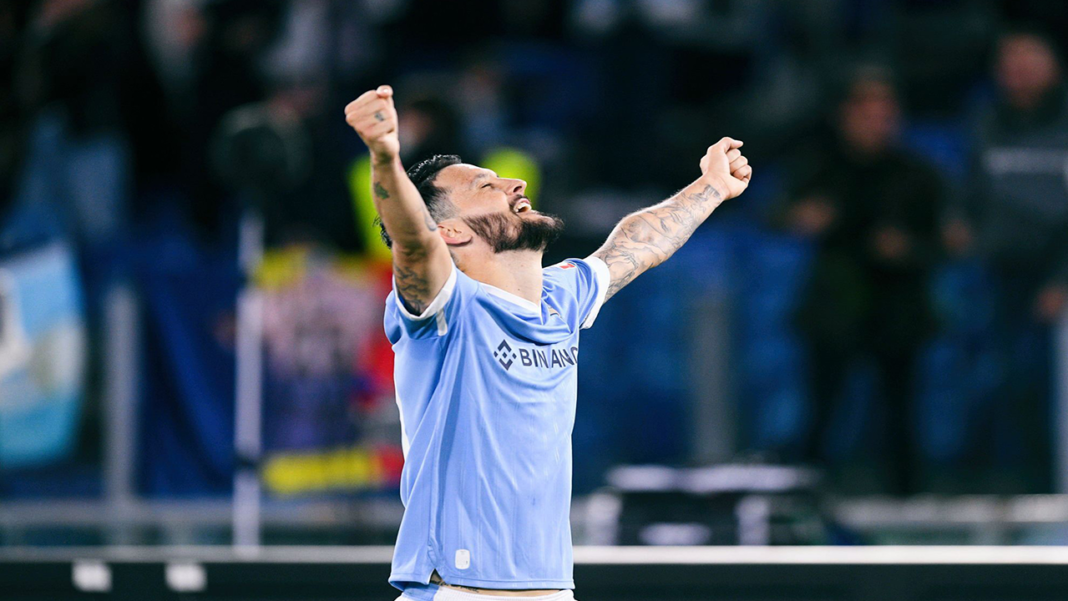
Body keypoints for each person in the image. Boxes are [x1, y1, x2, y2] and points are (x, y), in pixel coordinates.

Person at [344, 85, 751, 599]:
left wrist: (710, 186)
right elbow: (412, 241)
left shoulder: (562, 297)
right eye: (486, 185)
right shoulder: (447, 307)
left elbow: (639, 241)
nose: (514, 181)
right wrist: (385, 158)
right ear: (449, 231)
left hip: (552, 589)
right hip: (458, 590)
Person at [780, 67, 945, 494]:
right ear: (845, 116)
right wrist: (801, 218)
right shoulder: (819, 167)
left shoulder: (918, 174)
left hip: (899, 308)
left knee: (900, 411)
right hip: (835, 307)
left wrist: (907, 248)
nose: (876, 123)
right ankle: (809, 494)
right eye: (866, 113)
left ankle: (907, 497)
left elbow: (946, 242)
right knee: (823, 409)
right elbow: (776, 213)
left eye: (885, 114)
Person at [952, 27, 1068, 490]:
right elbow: (970, 189)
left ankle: (1049, 484)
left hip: (1055, 272)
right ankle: (997, 483)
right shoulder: (986, 120)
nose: (1017, 73)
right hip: (998, 273)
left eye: (1028, 62)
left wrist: (1062, 279)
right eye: (1008, 63)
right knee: (995, 381)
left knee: (1045, 385)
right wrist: (960, 221)